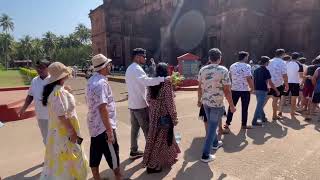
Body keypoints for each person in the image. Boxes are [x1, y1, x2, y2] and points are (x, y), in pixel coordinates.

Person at [40, 62, 88, 180]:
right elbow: (62, 116)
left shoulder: (57, 90)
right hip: (65, 131)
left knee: (60, 158)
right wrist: (72, 132)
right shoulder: (58, 92)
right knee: (69, 157)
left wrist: (67, 92)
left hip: (58, 131)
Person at [125, 48, 169, 159]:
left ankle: (133, 150)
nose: (145, 58)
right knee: (148, 130)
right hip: (140, 105)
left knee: (135, 129)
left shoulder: (130, 68)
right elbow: (147, 81)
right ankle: (151, 155)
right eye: (143, 57)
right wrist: (162, 79)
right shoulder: (136, 68)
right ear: (137, 57)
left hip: (133, 104)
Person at [86, 54, 122, 180]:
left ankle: (97, 178)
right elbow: (103, 107)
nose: (110, 66)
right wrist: (109, 131)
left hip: (94, 127)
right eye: (108, 64)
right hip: (104, 127)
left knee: (95, 154)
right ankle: (118, 177)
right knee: (113, 156)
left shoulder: (91, 80)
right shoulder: (101, 83)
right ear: (104, 67)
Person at [198, 48, 236, 163]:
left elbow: (199, 87)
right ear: (219, 58)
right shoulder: (223, 70)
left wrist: (198, 100)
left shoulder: (202, 70)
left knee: (211, 124)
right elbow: (227, 90)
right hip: (217, 104)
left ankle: (215, 143)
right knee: (212, 128)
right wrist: (232, 105)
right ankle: (205, 155)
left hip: (206, 102)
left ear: (209, 58)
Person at [142, 63, 180, 174]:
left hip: (153, 115)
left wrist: (155, 107)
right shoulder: (166, 83)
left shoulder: (152, 82)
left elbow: (148, 99)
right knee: (161, 140)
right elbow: (169, 102)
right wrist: (174, 117)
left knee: (156, 138)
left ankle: (171, 156)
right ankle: (153, 165)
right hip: (164, 115)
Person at [19, 60, 51, 145]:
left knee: (55, 139)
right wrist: (23, 108)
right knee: (46, 138)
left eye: (42, 68)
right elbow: (30, 96)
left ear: (48, 68)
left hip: (53, 115)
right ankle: (49, 157)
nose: (39, 70)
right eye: (37, 67)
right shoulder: (34, 80)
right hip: (41, 115)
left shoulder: (53, 80)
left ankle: (56, 157)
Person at [226, 51, 254, 130]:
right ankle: (243, 125)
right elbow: (249, 78)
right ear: (245, 57)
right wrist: (252, 88)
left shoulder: (232, 66)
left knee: (231, 106)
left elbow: (230, 76)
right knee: (245, 108)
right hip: (245, 90)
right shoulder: (247, 66)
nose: (247, 58)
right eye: (247, 57)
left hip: (234, 89)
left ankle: (227, 123)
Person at [252, 56, 279, 126]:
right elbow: (270, 82)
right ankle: (254, 121)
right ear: (266, 62)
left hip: (257, 89)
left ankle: (263, 118)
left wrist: (253, 88)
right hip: (263, 90)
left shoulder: (256, 70)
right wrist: (276, 90)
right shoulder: (266, 71)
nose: (269, 63)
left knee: (259, 104)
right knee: (259, 106)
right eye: (268, 62)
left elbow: (253, 80)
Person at [267, 49, 289, 120]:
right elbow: (284, 75)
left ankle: (259, 115)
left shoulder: (269, 61)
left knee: (264, 101)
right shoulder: (283, 62)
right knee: (275, 100)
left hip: (268, 83)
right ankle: (274, 115)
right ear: (282, 54)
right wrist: (286, 85)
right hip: (278, 84)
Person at [284, 52, 304, 117]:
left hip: (286, 82)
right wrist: (307, 77)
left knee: (283, 97)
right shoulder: (300, 64)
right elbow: (301, 76)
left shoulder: (287, 63)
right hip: (295, 83)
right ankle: (292, 112)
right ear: (298, 58)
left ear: (291, 56)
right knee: (294, 98)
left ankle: (280, 111)